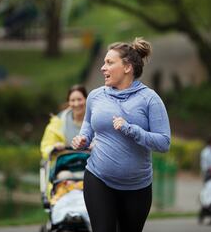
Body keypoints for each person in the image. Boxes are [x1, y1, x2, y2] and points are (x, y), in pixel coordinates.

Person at [72, 37, 171, 232]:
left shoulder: (150, 99)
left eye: (109, 62)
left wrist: (131, 129)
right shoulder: (95, 96)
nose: (102, 68)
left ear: (127, 67)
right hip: (98, 178)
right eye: (103, 62)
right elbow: (88, 128)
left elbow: (164, 142)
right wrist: (82, 140)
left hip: (137, 187)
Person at [40, 84, 87, 160]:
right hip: (66, 164)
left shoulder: (95, 120)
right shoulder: (57, 121)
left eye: (79, 99)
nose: (76, 104)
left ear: (86, 99)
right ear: (68, 102)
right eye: (73, 100)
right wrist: (54, 147)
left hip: (91, 164)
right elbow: (45, 148)